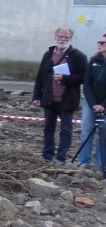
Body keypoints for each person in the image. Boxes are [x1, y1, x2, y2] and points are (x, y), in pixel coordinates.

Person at [31, 27, 87, 164]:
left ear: (70, 39)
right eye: (61, 36)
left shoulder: (78, 56)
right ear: (55, 37)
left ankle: (61, 157)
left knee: (66, 129)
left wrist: (65, 78)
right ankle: (47, 154)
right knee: (48, 127)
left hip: (67, 99)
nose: (63, 39)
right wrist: (36, 96)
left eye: (66, 37)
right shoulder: (48, 54)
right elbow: (40, 77)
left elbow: (83, 77)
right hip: (49, 98)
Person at [82, 34, 106, 177]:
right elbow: (87, 83)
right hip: (91, 102)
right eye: (99, 42)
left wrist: (103, 104)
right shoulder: (93, 61)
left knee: (104, 135)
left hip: (104, 104)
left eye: (102, 42)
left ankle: (100, 164)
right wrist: (93, 103)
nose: (99, 44)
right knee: (86, 131)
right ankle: (84, 162)